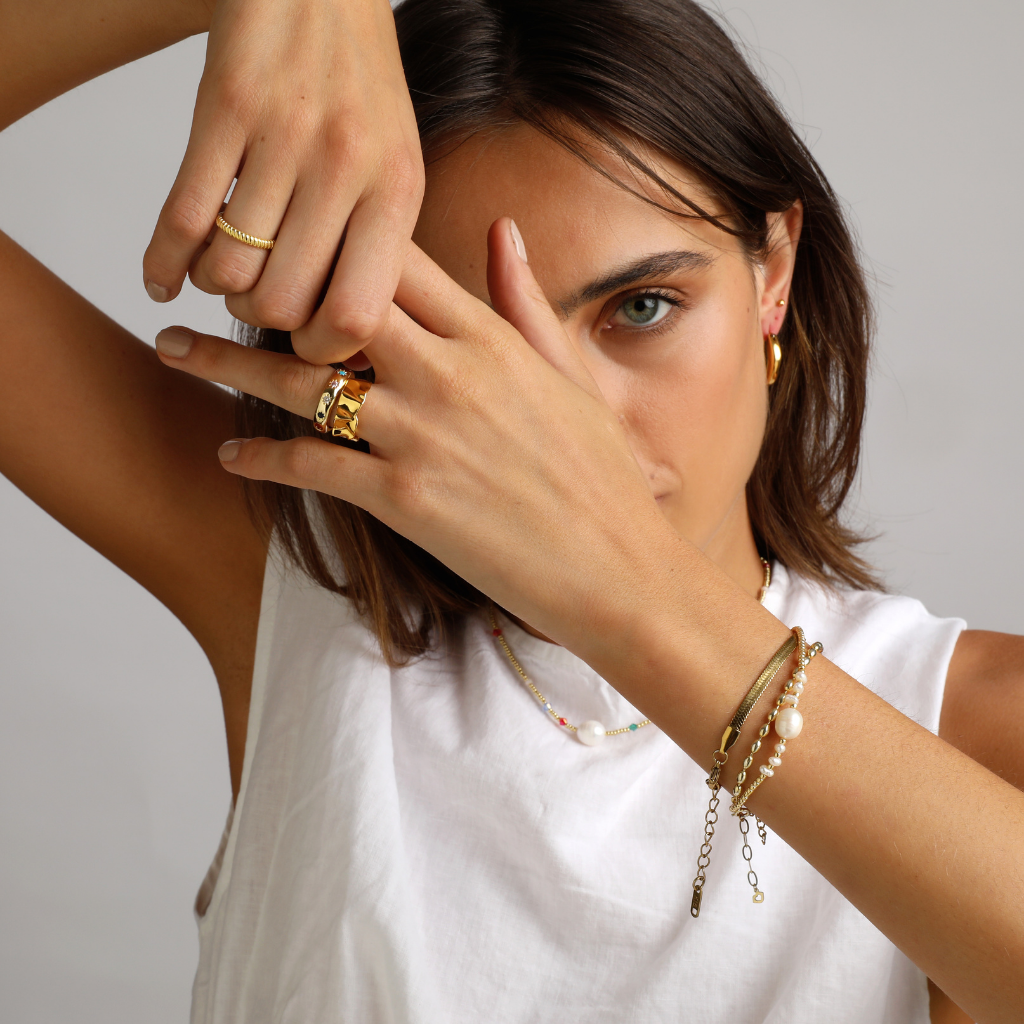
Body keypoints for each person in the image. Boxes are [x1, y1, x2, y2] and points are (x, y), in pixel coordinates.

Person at [1, 0, 1021, 1021]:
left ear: (774, 276)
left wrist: (621, 586)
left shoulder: (971, 727)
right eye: (469, 347)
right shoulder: (301, 597)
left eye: (642, 308)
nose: (565, 428)